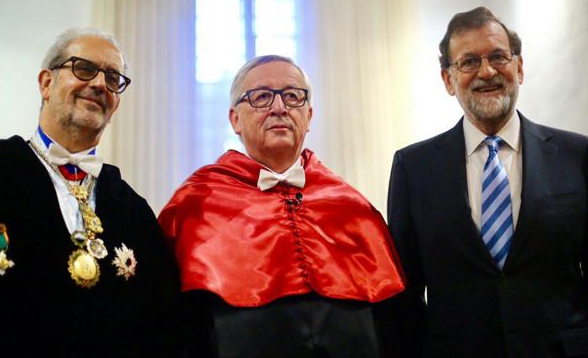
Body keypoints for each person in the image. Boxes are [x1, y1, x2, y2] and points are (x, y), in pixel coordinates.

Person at [159, 55, 405, 358]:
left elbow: (395, 322)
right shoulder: (196, 205)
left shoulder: (351, 204)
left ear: (309, 115)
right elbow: (171, 325)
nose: (279, 108)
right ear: (235, 119)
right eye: (261, 97)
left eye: (292, 96)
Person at [387, 6, 588, 358]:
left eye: (499, 57)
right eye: (468, 62)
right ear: (448, 80)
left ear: (520, 67)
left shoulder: (579, 155)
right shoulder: (414, 168)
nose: (487, 71)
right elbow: (404, 293)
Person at [0, 28, 182, 357]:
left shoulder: (133, 209)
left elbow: (162, 323)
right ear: (46, 83)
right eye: (84, 69)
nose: (99, 84)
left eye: (113, 79)